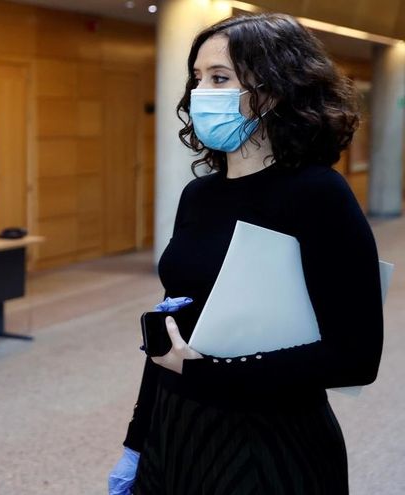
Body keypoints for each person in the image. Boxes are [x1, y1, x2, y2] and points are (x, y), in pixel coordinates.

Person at [109, 13, 383, 495]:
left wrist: (204, 373)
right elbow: (173, 326)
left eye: (220, 78)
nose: (200, 94)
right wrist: (137, 441)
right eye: (197, 79)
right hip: (178, 428)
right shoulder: (200, 195)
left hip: (269, 441)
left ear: (274, 91)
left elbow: (354, 357)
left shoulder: (318, 194)